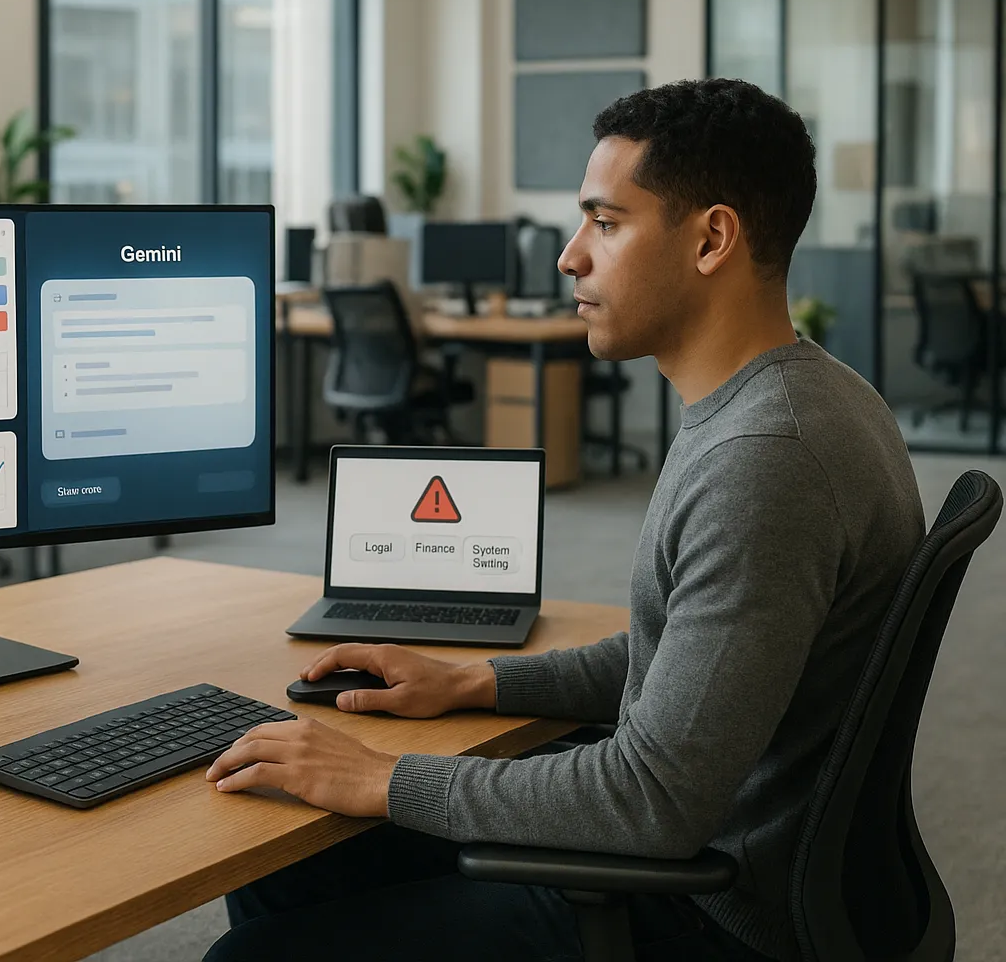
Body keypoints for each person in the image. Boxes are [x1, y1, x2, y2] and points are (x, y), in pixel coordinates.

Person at [203, 78, 924, 962]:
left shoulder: (766, 460)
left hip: (708, 910)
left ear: (712, 239)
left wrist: (385, 778)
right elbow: (686, 658)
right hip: (727, 850)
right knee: (285, 846)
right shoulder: (806, 397)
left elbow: (652, 800)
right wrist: (474, 682)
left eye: (605, 223)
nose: (569, 258)